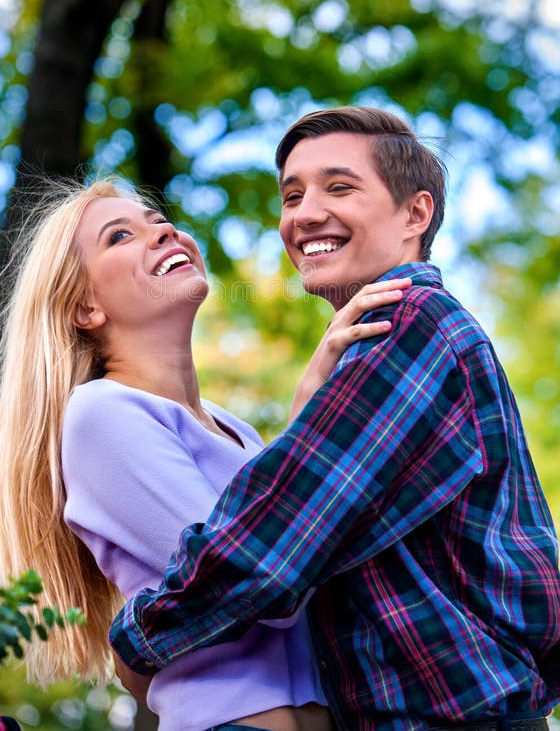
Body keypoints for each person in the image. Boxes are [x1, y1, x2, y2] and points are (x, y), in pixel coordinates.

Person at [109, 107, 560, 731]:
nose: (304, 214)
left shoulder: (410, 324)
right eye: (292, 195)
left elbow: (270, 546)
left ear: (416, 215)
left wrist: (137, 637)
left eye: (339, 187)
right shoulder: (376, 345)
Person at [0, 176, 409, 731]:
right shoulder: (101, 415)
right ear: (84, 307)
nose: (164, 233)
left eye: (159, 222)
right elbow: (254, 579)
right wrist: (308, 420)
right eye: (119, 237)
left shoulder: (238, 431)